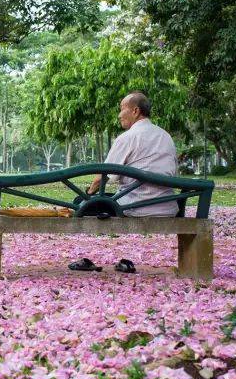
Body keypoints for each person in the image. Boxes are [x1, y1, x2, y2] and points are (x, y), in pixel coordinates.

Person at [69, 91, 178, 273]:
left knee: (86, 204)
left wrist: (86, 195)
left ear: (135, 111)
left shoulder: (127, 138)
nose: (119, 114)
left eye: (122, 109)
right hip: (166, 207)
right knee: (106, 201)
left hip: (135, 207)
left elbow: (101, 177)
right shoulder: (165, 136)